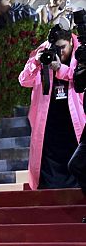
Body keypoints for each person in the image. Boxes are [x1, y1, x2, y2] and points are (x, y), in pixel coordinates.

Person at [19, 28, 85, 189]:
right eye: (57, 48)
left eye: (63, 47)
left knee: (76, 161)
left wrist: (59, 69)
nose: (60, 52)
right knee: (47, 161)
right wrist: (36, 61)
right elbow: (24, 80)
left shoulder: (82, 53)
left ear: (71, 42)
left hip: (74, 119)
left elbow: (80, 78)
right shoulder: (44, 52)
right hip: (49, 120)